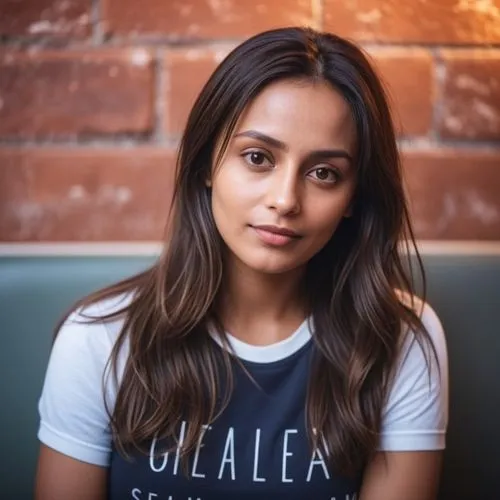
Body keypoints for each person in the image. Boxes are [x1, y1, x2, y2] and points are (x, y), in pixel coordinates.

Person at [35, 26, 448, 500]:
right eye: (257, 157)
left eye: (323, 173)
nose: (285, 199)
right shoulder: (99, 339)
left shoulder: (399, 338)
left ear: (354, 197)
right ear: (208, 164)